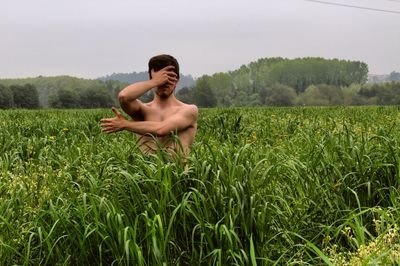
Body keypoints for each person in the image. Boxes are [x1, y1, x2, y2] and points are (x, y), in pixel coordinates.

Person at [100, 54, 198, 158]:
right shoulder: (142, 110)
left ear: (177, 80)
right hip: (144, 173)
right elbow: (124, 96)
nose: (165, 82)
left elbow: (162, 129)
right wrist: (155, 82)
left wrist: (125, 124)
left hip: (179, 174)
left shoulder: (189, 110)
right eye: (161, 78)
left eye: (170, 77)